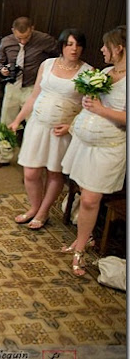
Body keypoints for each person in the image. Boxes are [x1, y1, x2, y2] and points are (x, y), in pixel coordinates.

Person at [7, 29, 90, 230]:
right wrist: (17, 120)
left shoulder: (88, 72)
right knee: (31, 172)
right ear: (62, 46)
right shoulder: (47, 64)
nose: (74, 49)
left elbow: (89, 108)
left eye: (78, 45)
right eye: (69, 44)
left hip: (61, 128)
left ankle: (43, 212)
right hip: (37, 123)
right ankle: (34, 207)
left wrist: (71, 126)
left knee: (54, 173)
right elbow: (35, 95)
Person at [60, 26, 126, 276]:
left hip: (110, 148)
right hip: (86, 144)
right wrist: (74, 123)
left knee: (89, 199)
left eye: (105, 46)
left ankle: (80, 251)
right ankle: (82, 239)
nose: (101, 50)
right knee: (83, 193)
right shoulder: (107, 72)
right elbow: (91, 107)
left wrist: (100, 110)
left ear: (118, 48)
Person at [0, 16, 58, 169]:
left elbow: (57, 58)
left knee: (33, 125)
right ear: (13, 31)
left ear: (32, 29)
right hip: (12, 87)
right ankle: (4, 156)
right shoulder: (6, 42)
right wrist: (2, 70)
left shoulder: (45, 40)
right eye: (19, 38)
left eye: (26, 37)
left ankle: (30, 161)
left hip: (33, 88)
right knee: (6, 122)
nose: (23, 42)